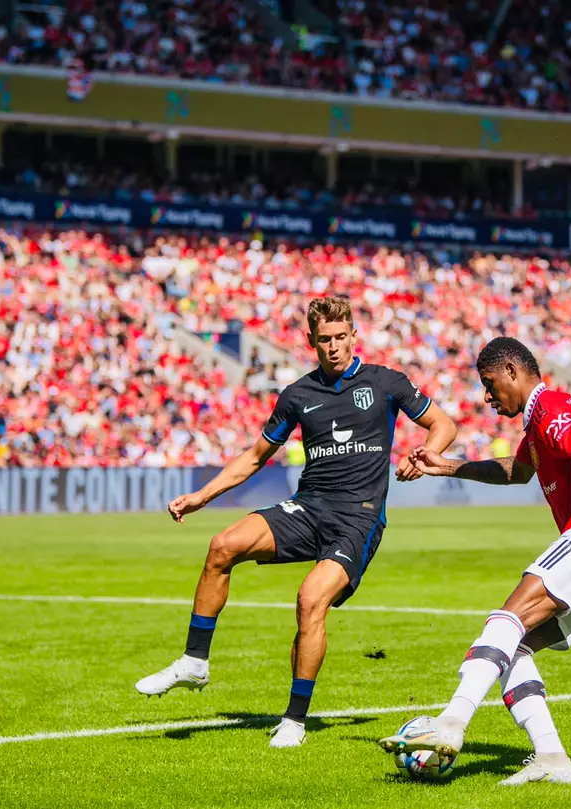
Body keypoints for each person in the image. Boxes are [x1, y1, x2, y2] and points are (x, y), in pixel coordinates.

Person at [134, 297, 457, 749]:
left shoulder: (385, 382)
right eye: (324, 340)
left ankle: (294, 720)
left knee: (309, 600)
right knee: (222, 545)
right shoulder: (298, 396)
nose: (334, 347)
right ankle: (194, 661)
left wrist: (426, 455)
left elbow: (442, 424)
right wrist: (202, 496)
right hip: (307, 508)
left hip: (357, 520)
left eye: (341, 337)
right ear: (311, 342)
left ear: (353, 335)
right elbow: (254, 457)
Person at [378, 337, 571, 787]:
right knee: (516, 648)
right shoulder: (537, 423)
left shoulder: (552, 407)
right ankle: (553, 758)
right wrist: (446, 466)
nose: (488, 396)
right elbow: (516, 473)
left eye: (491, 384)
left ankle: (451, 722)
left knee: (505, 618)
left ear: (513, 371)